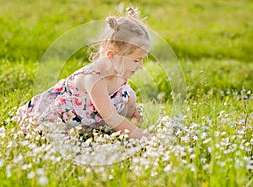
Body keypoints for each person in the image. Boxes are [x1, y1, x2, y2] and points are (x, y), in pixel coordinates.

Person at [16, 8, 151, 139]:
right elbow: (112, 118)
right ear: (112, 56)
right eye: (136, 60)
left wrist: (133, 114)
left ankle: (105, 129)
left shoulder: (120, 73)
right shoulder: (93, 79)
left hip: (90, 115)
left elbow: (126, 96)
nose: (141, 66)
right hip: (62, 119)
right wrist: (146, 137)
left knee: (128, 95)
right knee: (55, 133)